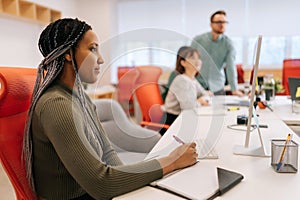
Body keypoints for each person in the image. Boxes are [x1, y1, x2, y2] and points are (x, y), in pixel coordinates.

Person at [22, 18, 198, 200]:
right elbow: (101, 184)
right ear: (68, 53)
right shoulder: (56, 105)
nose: (101, 59)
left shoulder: (80, 97)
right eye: (92, 49)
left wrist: (130, 187)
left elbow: (107, 152)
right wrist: (172, 162)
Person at [191, 10, 243, 96]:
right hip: (198, 85)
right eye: (218, 22)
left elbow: (231, 67)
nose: (222, 25)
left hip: (217, 87)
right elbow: (189, 63)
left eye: (224, 22)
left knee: (219, 109)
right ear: (211, 24)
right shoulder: (198, 40)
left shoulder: (228, 44)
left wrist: (234, 89)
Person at [160, 46, 211, 135]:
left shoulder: (192, 80)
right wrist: (199, 101)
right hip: (172, 122)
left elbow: (206, 94)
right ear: (183, 62)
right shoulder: (181, 80)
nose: (197, 61)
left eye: (198, 58)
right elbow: (189, 107)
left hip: (183, 118)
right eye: (192, 58)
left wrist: (201, 100)